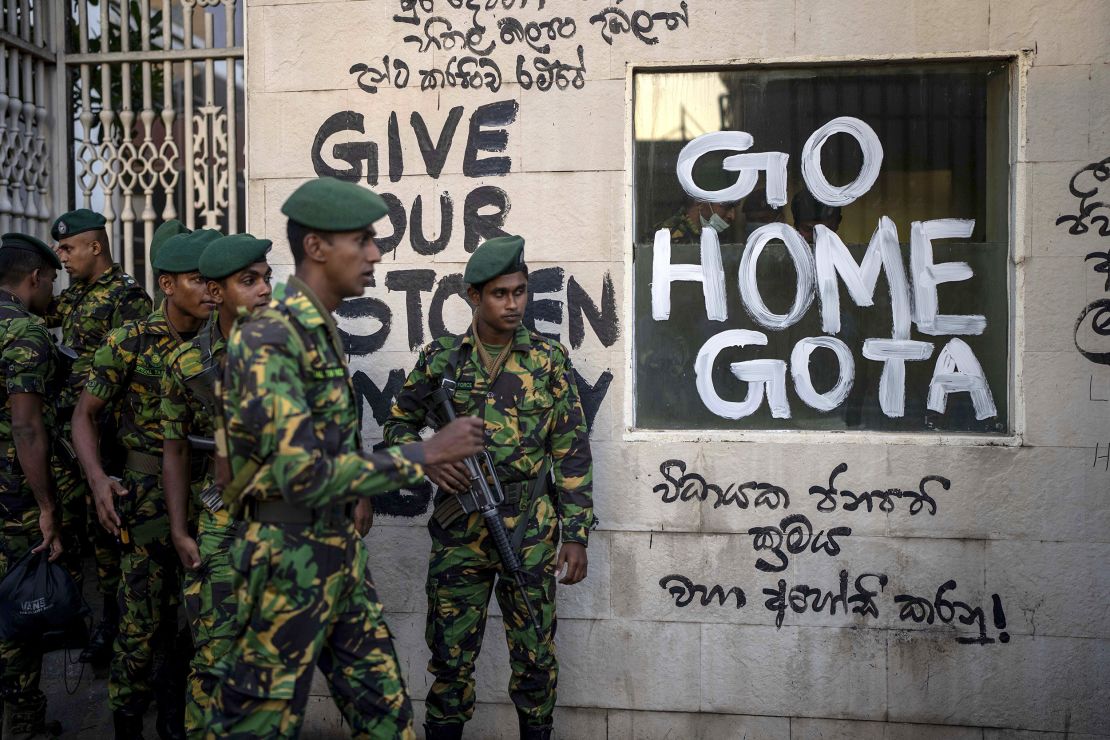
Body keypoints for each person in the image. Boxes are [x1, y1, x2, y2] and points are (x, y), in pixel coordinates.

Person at [204, 177, 484, 739]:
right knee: (253, 729)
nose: (375, 253)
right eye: (361, 240)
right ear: (316, 248)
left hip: (337, 558)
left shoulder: (319, 330)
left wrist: (357, 489)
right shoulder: (270, 337)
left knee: (387, 722)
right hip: (285, 564)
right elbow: (300, 473)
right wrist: (423, 454)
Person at [384, 235, 596, 740]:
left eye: (520, 292)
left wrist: (576, 534)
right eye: (501, 294)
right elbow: (396, 427)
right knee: (450, 661)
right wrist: (429, 462)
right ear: (473, 296)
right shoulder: (442, 361)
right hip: (460, 532)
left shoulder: (546, 360)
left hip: (529, 529)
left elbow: (572, 449)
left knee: (535, 660)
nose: (513, 304)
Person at [73, 228, 220, 739]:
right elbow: (84, 415)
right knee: (140, 622)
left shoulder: (224, 342)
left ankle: (179, 721)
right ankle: (128, 723)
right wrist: (98, 480)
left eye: (215, 280)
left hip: (213, 496)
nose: (210, 291)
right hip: (148, 497)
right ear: (167, 284)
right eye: (199, 280)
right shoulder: (130, 339)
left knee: (199, 622)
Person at [160, 233, 273, 738]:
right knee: (213, 658)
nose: (265, 289)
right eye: (249, 281)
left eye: (267, 277)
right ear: (216, 291)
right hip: (222, 525)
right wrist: (181, 529)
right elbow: (176, 449)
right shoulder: (188, 365)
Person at [46, 208, 154, 665]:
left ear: (96, 247)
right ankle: (77, 619)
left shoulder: (127, 298)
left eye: (68, 248)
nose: (61, 256)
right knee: (73, 533)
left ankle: (114, 623)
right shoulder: (74, 298)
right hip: (69, 440)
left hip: (106, 437)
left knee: (109, 538)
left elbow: (133, 376)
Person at [0, 233, 67, 738]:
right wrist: (46, 504)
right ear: (33, 278)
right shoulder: (25, 331)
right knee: (18, 601)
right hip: (10, 496)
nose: (52, 290)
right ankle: (22, 720)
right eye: (51, 280)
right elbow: (26, 427)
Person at [652, 194, 737, 243]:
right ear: (700, 203)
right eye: (726, 207)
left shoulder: (717, 235)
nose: (732, 216)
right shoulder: (667, 234)